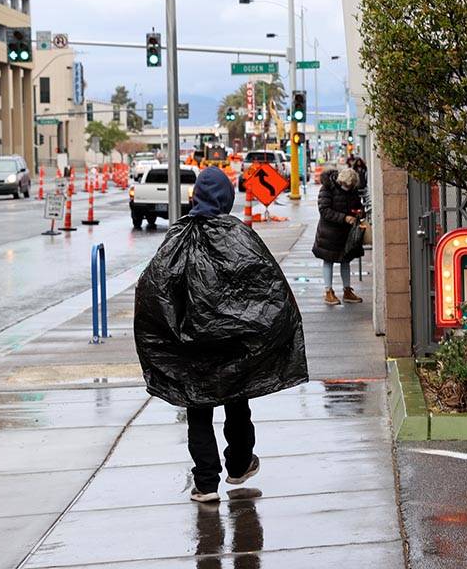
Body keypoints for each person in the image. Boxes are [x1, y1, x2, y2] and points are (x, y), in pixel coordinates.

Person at [134, 166, 308, 503]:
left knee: (198, 412)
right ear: (227, 198)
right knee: (237, 403)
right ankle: (239, 464)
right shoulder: (239, 236)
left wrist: (172, 333)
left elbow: (154, 287)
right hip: (233, 347)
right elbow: (266, 287)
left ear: (196, 195)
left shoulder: (178, 237)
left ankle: (206, 483)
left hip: (191, 350)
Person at [312, 167, 366, 305]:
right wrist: (344, 218)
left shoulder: (352, 190)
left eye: (351, 186)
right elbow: (324, 210)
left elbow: (357, 205)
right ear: (341, 181)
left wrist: (359, 213)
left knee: (345, 260)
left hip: (345, 233)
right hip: (329, 232)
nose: (348, 188)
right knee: (328, 260)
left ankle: (347, 290)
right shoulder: (327, 188)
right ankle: (328, 291)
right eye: (347, 185)